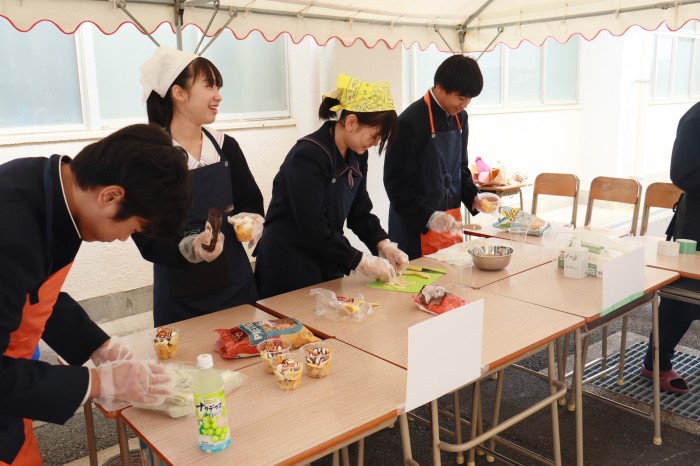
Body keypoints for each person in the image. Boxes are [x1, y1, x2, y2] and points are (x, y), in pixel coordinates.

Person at [0, 124, 191, 465]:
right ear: (111, 196)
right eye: (132, 228)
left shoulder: (50, 190)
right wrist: (97, 382)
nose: (122, 238)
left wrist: (98, 346)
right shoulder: (10, 229)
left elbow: (35, 296)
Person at [137, 46, 265, 326]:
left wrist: (253, 220)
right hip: (181, 296)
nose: (218, 96)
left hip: (235, 286)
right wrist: (191, 247)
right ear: (179, 93)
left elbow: (250, 200)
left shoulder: (225, 147)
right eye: (209, 86)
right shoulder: (151, 158)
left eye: (218, 87)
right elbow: (146, 237)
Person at [254, 74, 409, 298]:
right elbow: (312, 226)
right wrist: (361, 261)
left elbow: (359, 212)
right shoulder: (309, 155)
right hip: (289, 263)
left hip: (325, 257)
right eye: (375, 135)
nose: (375, 143)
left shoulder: (358, 155)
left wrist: (383, 244)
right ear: (351, 122)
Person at [383, 55, 501, 260]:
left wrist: (475, 197)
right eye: (461, 97)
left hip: (451, 224)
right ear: (439, 87)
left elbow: (460, 168)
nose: (465, 104)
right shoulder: (409, 122)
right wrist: (429, 217)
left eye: (470, 99)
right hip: (415, 231)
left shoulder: (460, 118)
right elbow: (397, 186)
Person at [642, 101, 700, 394]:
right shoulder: (696, 116)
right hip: (697, 224)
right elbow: (682, 172)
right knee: (682, 298)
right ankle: (656, 362)